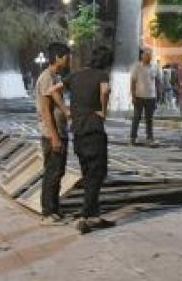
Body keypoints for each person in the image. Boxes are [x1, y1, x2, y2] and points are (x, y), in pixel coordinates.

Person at [49, 46, 116, 234]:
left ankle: (93, 216)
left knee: (88, 174)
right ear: (106, 62)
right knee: (98, 172)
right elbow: (105, 91)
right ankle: (85, 217)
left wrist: (66, 110)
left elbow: (53, 90)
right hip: (94, 130)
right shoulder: (101, 75)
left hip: (78, 132)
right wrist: (103, 111)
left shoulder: (76, 75)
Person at [35, 42, 71, 225]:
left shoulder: (54, 77)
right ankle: (47, 212)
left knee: (58, 172)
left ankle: (55, 209)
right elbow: (46, 111)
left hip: (59, 132)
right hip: (52, 135)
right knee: (52, 172)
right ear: (58, 57)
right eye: (67, 56)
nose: (69, 59)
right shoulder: (46, 78)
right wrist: (55, 137)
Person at [129, 48, 161, 146]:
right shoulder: (136, 66)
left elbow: (158, 82)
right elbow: (133, 82)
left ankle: (150, 138)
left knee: (149, 119)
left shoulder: (155, 67)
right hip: (139, 96)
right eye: (146, 55)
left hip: (151, 97)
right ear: (142, 56)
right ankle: (133, 138)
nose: (148, 56)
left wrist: (158, 95)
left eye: (150, 55)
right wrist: (133, 95)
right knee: (136, 118)